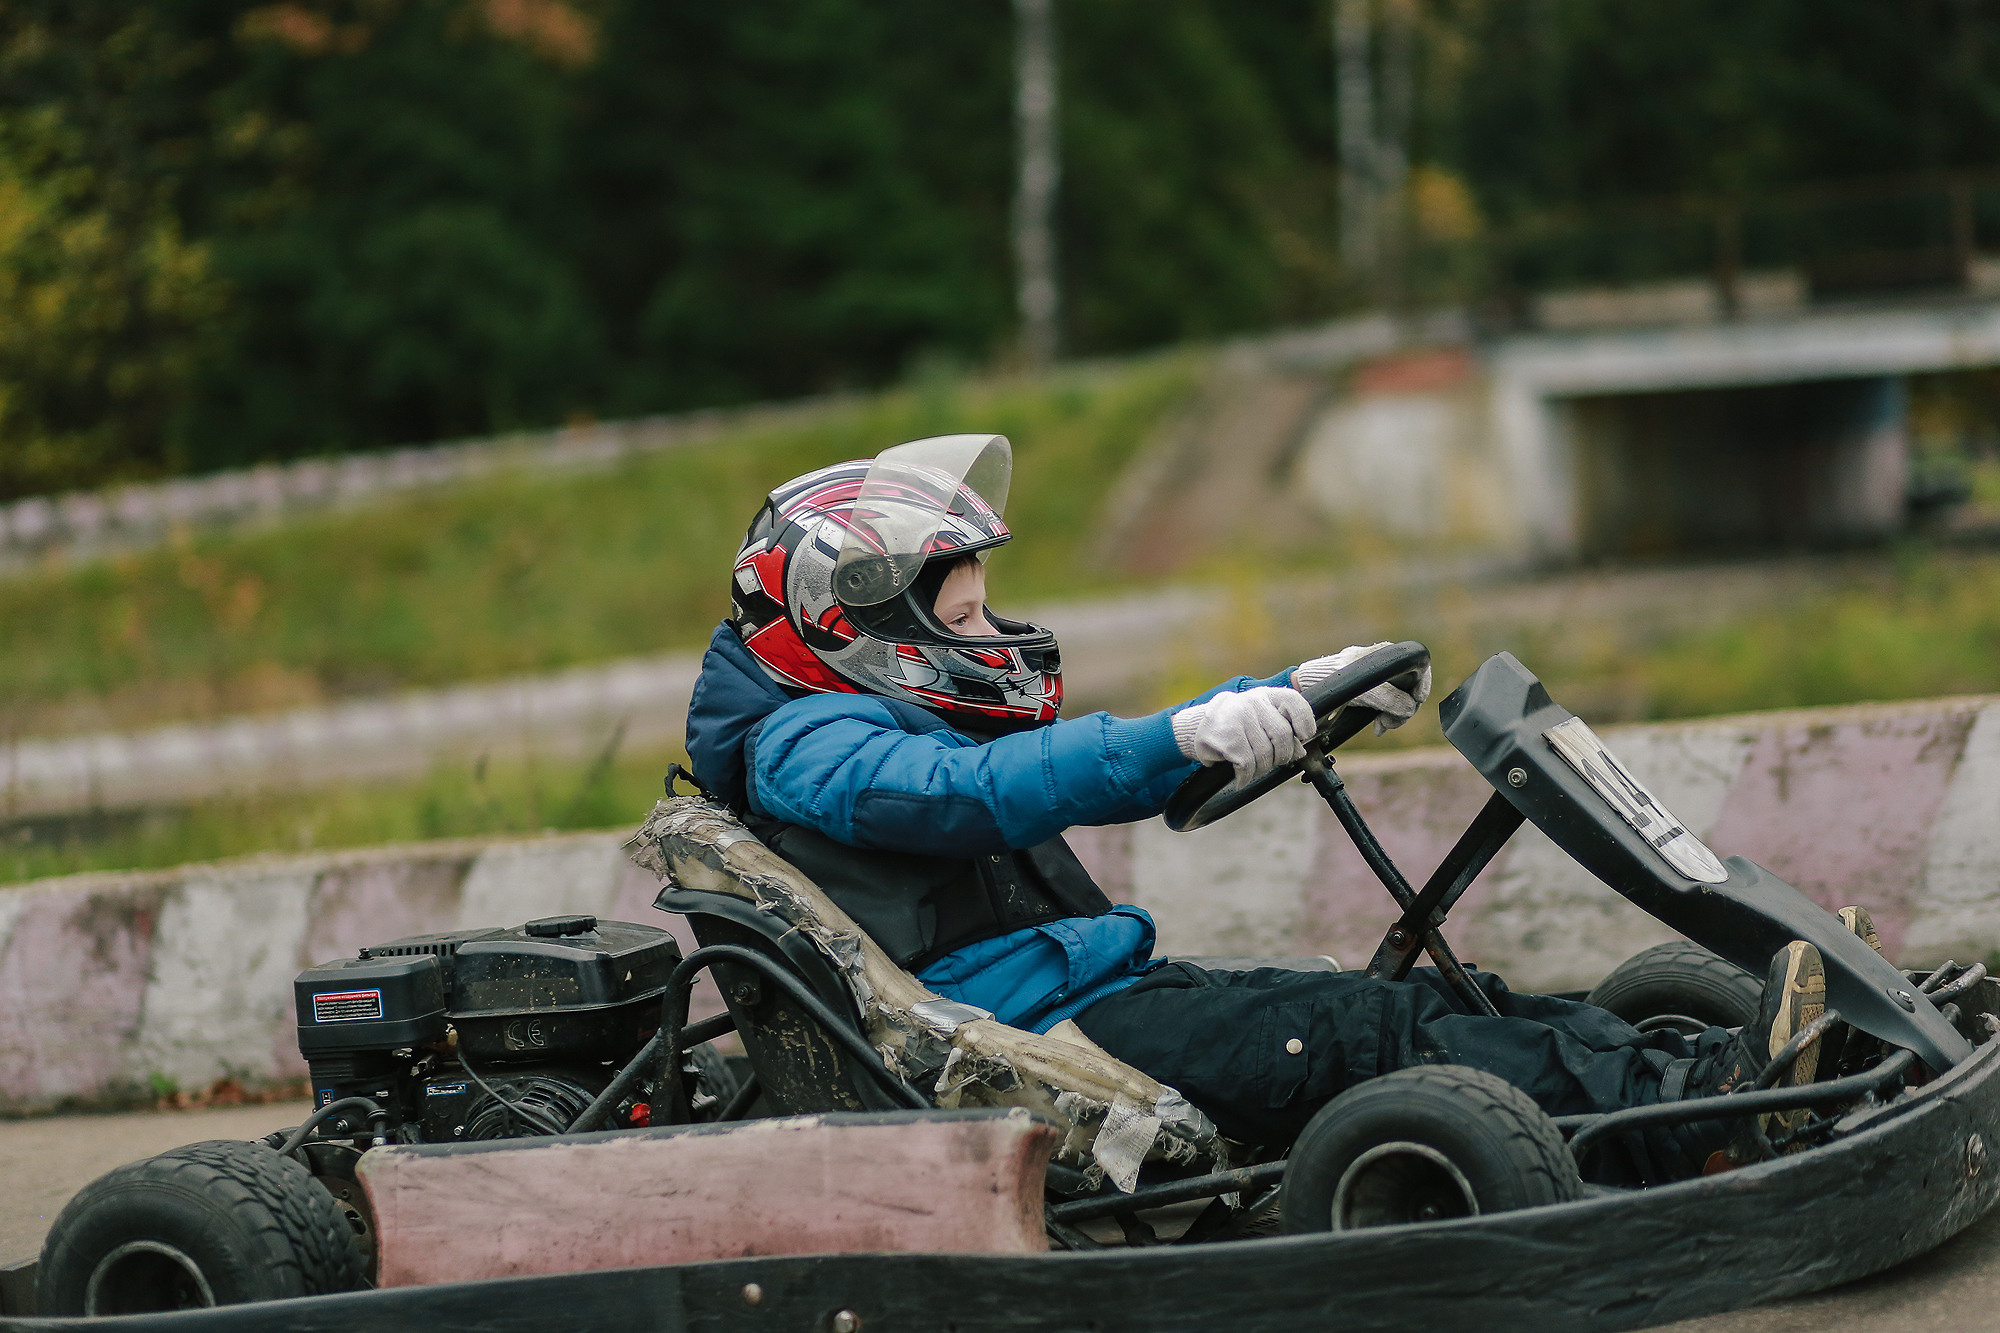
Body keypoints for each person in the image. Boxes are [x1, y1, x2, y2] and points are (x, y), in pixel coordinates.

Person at [684, 435, 1848, 1182]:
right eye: (967, 617)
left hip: (1095, 997)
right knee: (1368, 1036)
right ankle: (1697, 1113)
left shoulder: (857, 721)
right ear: (856, 623)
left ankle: (1703, 1062)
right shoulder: (804, 747)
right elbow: (974, 796)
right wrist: (1181, 732)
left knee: (1427, 998)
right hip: (1039, 1045)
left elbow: (1048, 770)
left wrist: (1278, 698)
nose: (991, 637)